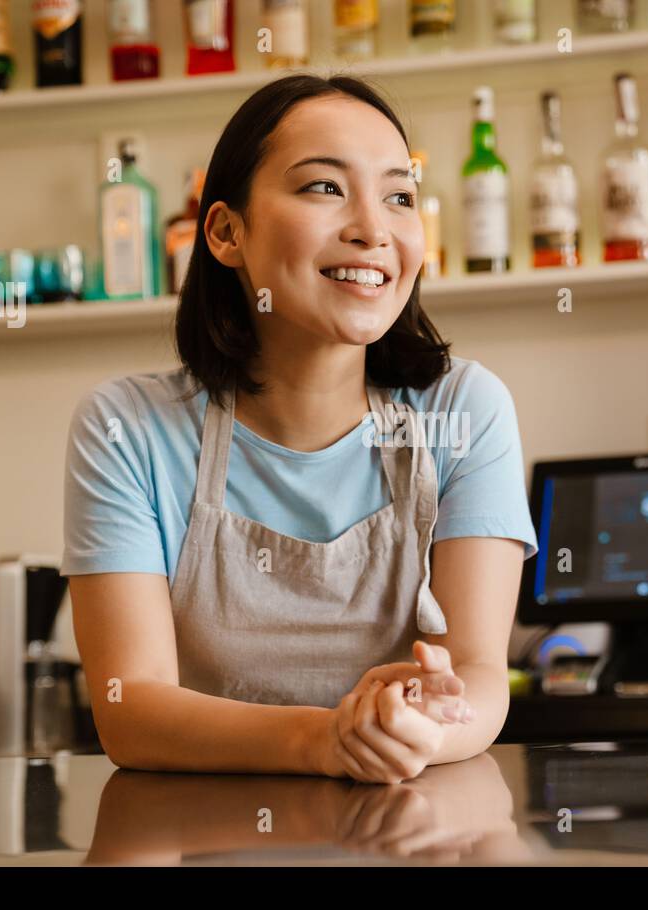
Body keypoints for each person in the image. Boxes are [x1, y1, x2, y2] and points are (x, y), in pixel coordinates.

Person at [61, 73, 538, 783]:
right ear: (224, 232)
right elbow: (131, 709)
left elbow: (477, 674)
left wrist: (411, 727)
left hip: (410, 836)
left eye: (399, 196)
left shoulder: (463, 411)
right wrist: (326, 740)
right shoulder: (127, 428)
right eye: (324, 188)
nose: (373, 230)